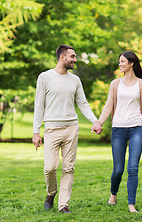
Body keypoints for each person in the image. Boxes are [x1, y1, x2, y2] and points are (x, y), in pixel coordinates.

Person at [32, 44, 102, 214]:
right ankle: (51, 193)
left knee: (68, 168)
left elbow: (83, 103)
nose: (75, 60)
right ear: (62, 57)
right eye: (72, 56)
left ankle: (63, 205)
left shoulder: (75, 80)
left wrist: (95, 121)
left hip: (71, 128)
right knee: (49, 168)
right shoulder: (45, 77)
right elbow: (39, 105)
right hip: (51, 129)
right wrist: (36, 132)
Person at [94, 51, 142, 212]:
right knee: (118, 169)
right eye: (119, 62)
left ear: (131, 63)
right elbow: (108, 105)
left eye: (122, 61)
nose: (120, 64)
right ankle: (113, 194)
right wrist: (99, 122)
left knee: (133, 168)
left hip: (136, 129)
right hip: (118, 128)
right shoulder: (115, 84)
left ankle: (131, 204)